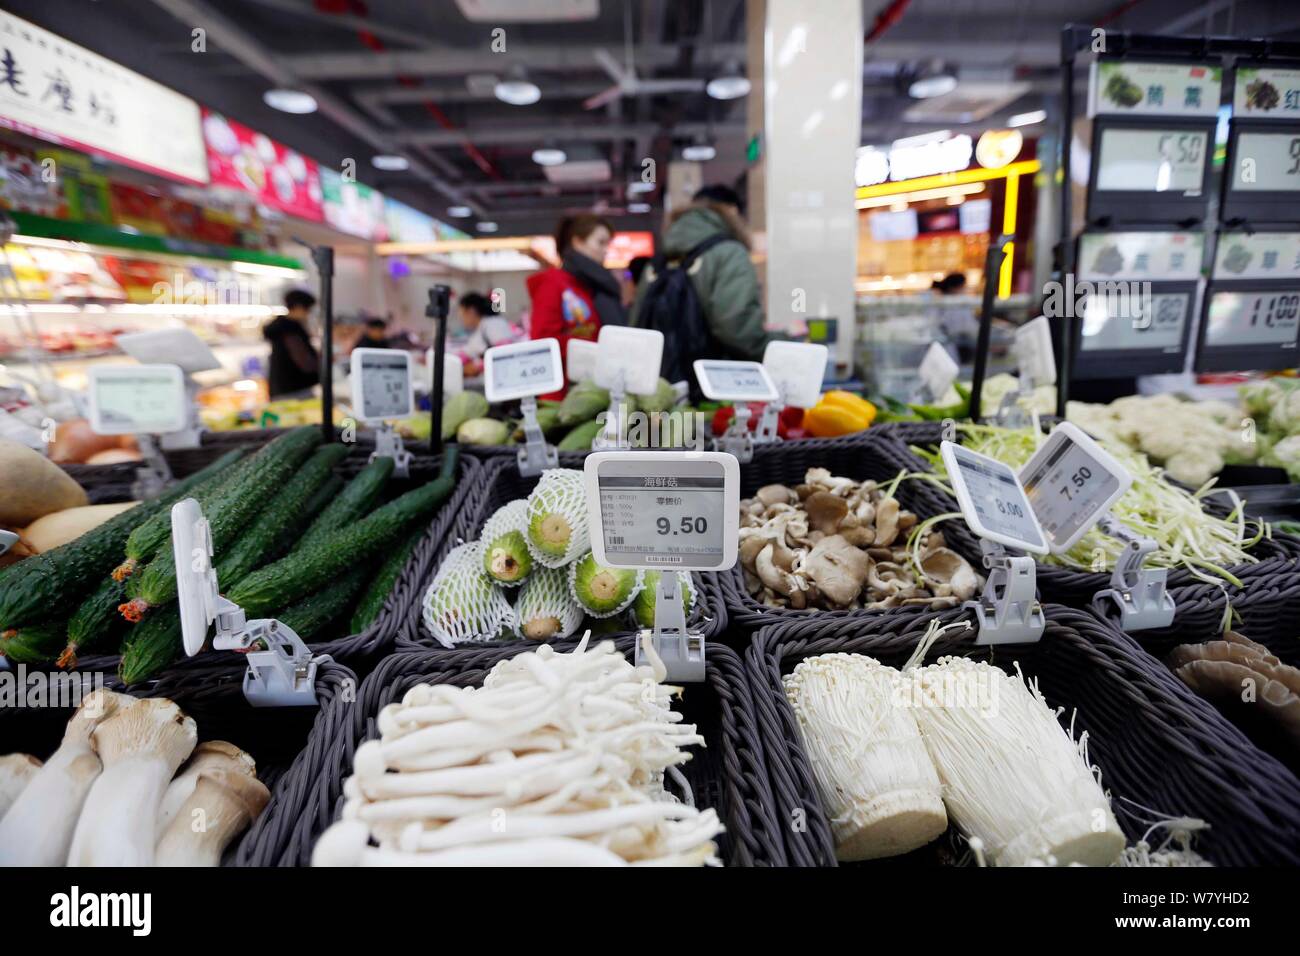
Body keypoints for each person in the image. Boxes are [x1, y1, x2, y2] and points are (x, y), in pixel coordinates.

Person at [630, 184, 769, 361]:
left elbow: (637, 321)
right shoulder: (729, 253)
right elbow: (739, 331)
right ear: (733, 211)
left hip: (660, 380)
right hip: (714, 379)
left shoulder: (658, 260)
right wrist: (779, 346)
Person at [527, 214, 624, 388]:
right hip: (563, 393)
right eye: (600, 242)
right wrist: (597, 351)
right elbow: (543, 341)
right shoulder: (554, 283)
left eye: (607, 244)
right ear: (577, 242)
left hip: (592, 386)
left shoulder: (590, 286)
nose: (605, 250)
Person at [264, 289, 320, 397]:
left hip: (283, 386)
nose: (308, 314)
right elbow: (303, 360)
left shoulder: (282, 327)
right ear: (298, 307)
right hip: (293, 388)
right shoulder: (290, 330)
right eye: (307, 309)